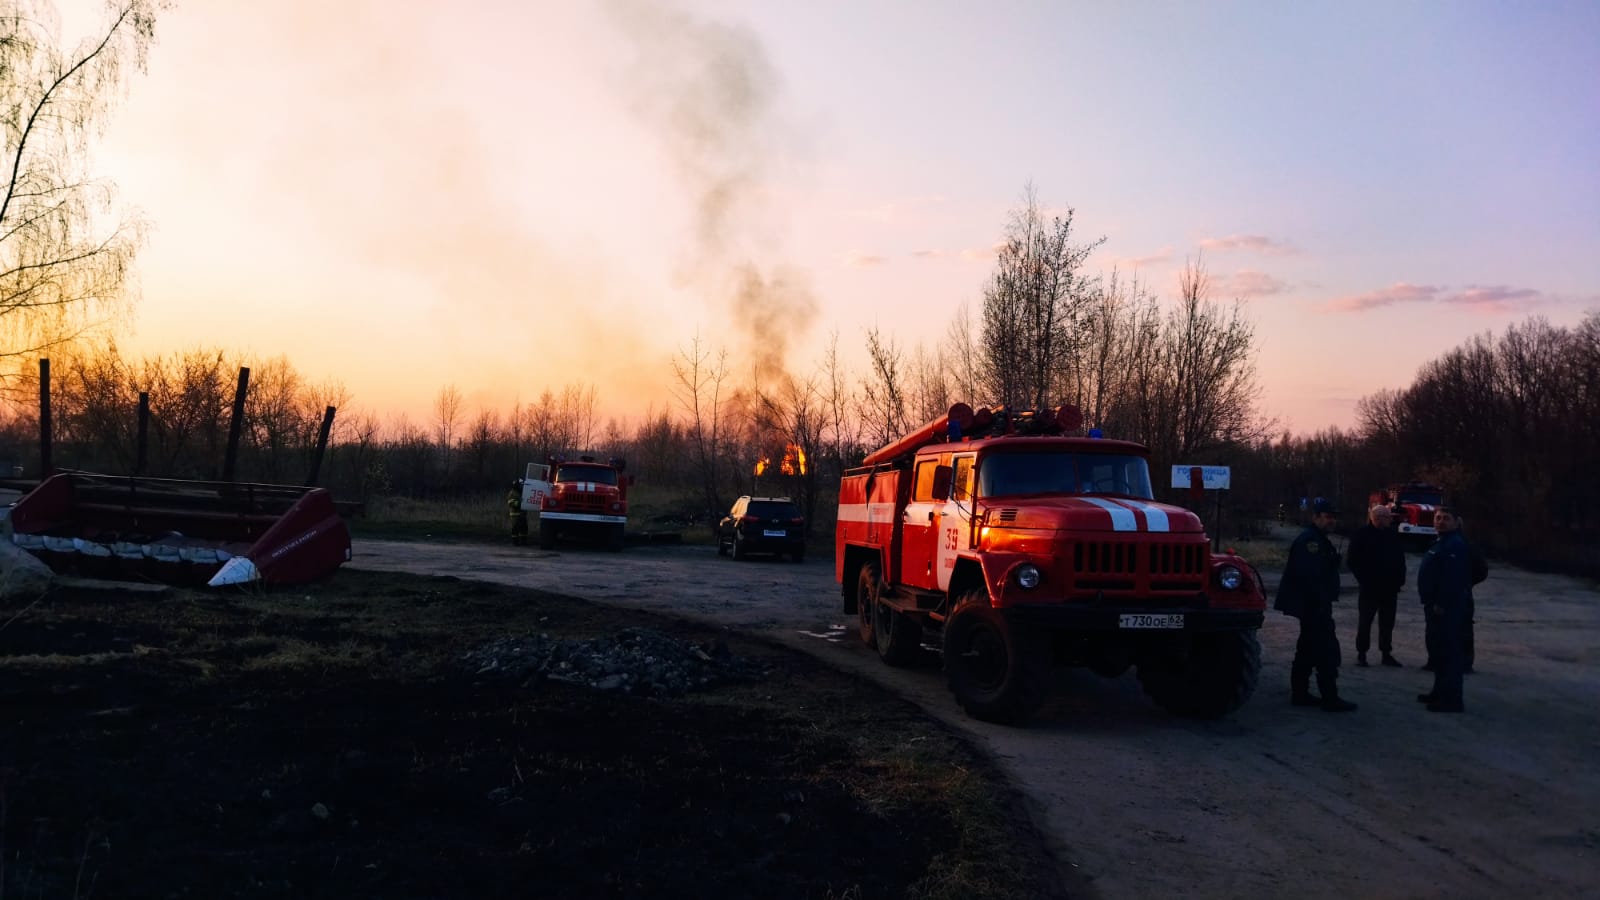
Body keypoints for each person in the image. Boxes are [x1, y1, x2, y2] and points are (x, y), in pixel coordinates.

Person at [1273, 498, 1357, 712]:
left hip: (1314, 604)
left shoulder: (1319, 539)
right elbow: (1310, 576)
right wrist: (1319, 604)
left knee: (1307, 649)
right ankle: (1330, 697)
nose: (1332, 521)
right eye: (1327, 517)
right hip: (1314, 606)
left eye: (1333, 517)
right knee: (1327, 651)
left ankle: (1300, 694)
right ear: (1316, 517)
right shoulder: (1310, 541)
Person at [1417, 507, 1472, 712]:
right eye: (1438, 518)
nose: (1440, 521)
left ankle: (1452, 700)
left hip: (1447, 609)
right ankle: (1439, 692)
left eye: (1446, 519)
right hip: (1434, 606)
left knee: (1450, 653)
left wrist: (1442, 603)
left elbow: (1453, 578)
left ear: (1456, 523)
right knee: (1438, 652)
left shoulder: (1455, 544)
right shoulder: (1441, 541)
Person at [1347, 504, 1407, 667]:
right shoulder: (1361, 535)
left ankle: (1386, 653)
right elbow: (1352, 560)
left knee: (1387, 622)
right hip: (1370, 588)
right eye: (1387, 517)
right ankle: (1362, 653)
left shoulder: (1392, 535)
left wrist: (1400, 579)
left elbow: (1400, 559)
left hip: (1390, 588)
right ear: (1377, 518)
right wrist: (1364, 579)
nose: (1390, 520)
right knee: (1365, 621)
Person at [507, 479, 529, 546]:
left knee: (524, 529)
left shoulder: (520, 492)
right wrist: (520, 503)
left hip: (522, 514)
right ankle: (515, 543)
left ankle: (523, 542)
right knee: (515, 529)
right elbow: (511, 503)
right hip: (515, 515)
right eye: (520, 485)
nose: (522, 486)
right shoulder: (512, 493)